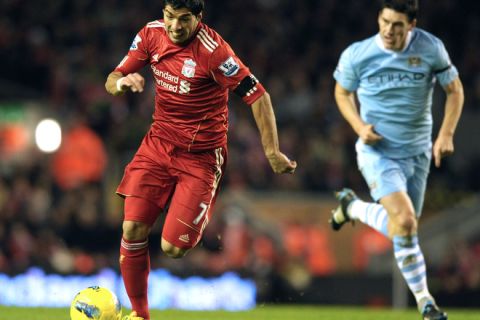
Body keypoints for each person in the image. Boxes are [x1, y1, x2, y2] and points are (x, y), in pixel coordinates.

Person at [105, 1, 296, 319]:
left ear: (199, 18)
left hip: (201, 158)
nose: (175, 26)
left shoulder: (215, 52)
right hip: (158, 146)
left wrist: (272, 151)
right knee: (132, 228)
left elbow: (258, 95)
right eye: (170, 17)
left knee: (173, 249)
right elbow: (113, 77)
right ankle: (140, 315)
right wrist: (122, 83)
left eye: (184, 19)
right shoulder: (151, 35)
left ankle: (199, 210)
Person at [330, 0, 463, 319]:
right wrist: (359, 126)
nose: (389, 30)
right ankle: (426, 303)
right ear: (379, 18)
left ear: (412, 26)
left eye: (398, 25)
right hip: (377, 152)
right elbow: (341, 93)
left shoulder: (431, 49)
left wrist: (445, 134)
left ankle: (353, 208)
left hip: (417, 153)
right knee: (404, 221)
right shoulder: (358, 54)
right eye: (385, 21)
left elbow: (455, 91)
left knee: (403, 228)